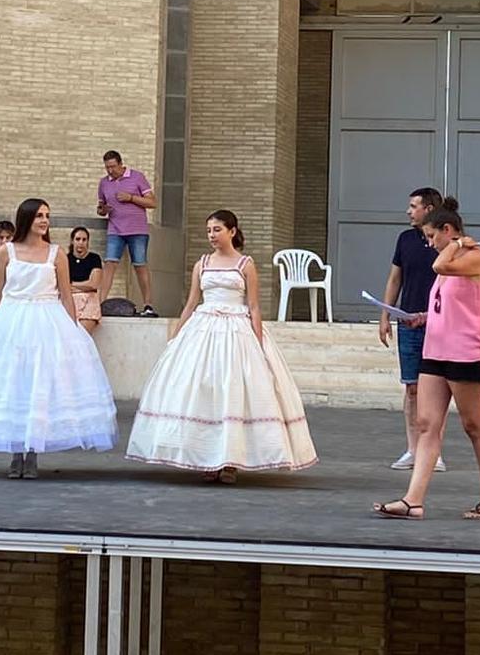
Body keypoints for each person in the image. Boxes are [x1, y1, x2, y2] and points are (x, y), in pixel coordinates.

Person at [0, 198, 119, 477]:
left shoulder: (56, 254)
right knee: (14, 383)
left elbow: (66, 295)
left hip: (47, 320)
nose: (44, 221)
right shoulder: (6, 252)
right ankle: (17, 451)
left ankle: (33, 452)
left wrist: (72, 332)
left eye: (47, 216)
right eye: (39, 215)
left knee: (39, 385)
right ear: (26, 218)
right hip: (12, 320)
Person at [126, 210, 317, 479]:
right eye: (209, 231)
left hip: (237, 330)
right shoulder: (202, 263)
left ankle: (230, 461)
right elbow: (192, 302)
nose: (212, 235)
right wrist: (177, 335)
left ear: (232, 231)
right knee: (204, 391)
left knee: (233, 391)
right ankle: (206, 458)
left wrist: (259, 342)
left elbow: (253, 305)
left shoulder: (245, 264)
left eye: (217, 230)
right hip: (204, 329)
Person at [372, 200, 480, 521]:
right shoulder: (450, 257)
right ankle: (412, 500)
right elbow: (453, 304)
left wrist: (456, 244)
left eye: (432, 236)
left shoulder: (474, 258)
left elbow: (439, 267)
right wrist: (423, 316)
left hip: (467, 352)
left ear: (447, 230)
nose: (429, 244)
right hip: (436, 349)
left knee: (474, 426)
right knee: (427, 424)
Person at [378, 186, 444, 472]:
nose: (408, 211)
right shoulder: (405, 239)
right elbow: (395, 279)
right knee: (412, 388)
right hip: (408, 322)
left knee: (437, 389)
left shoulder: (446, 242)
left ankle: (434, 451)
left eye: (414, 206)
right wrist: (385, 315)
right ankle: (413, 448)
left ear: (428, 209)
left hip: (439, 324)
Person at [97, 150, 157, 315]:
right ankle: (100, 303)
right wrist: (103, 210)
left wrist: (131, 198)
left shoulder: (137, 177)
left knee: (140, 265)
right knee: (110, 263)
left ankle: (148, 304)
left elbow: (152, 202)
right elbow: (100, 208)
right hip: (115, 229)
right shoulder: (104, 183)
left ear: (121, 164)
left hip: (137, 229)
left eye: (113, 167)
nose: (110, 171)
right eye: (107, 167)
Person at [67, 226, 106, 332]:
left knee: (82, 335)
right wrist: (85, 286)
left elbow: (94, 284)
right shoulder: (65, 259)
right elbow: (64, 285)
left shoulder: (94, 258)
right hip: (70, 300)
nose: (81, 243)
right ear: (72, 241)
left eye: (84, 240)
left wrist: (73, 285)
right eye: (78, 239)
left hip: (90, 301)